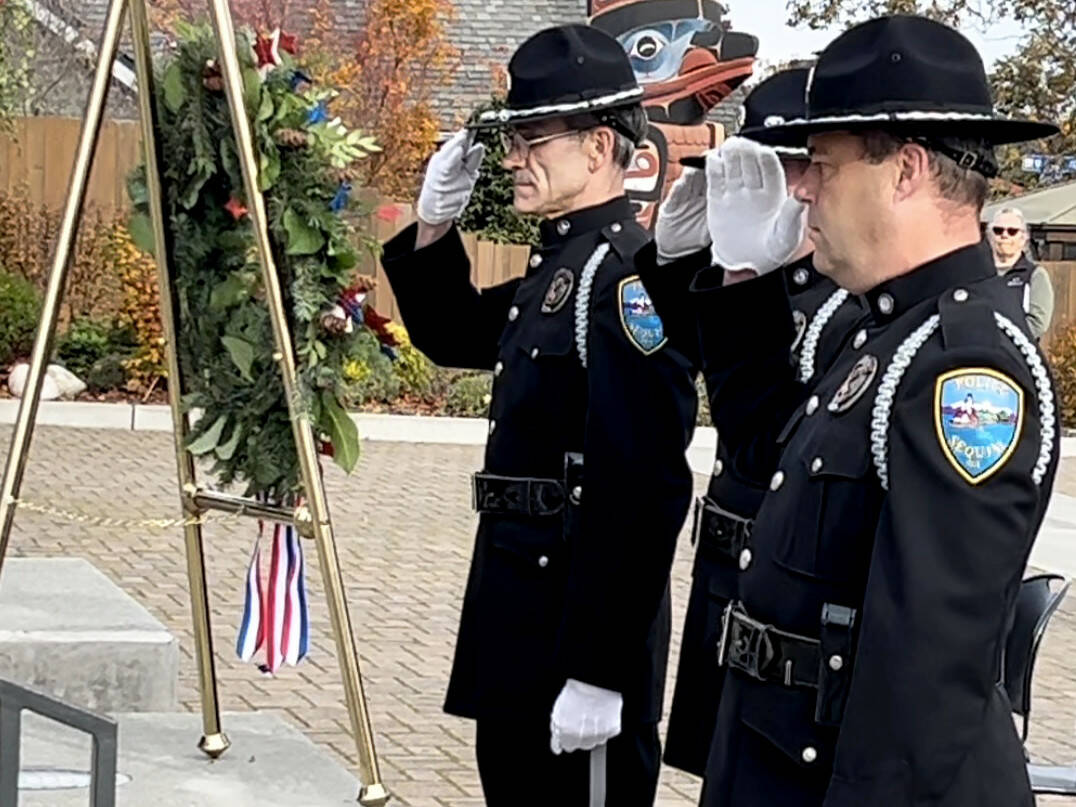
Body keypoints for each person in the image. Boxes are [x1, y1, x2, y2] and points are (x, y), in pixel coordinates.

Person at [659, 14, 1058, 806]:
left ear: (906, 169)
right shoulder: (883, 331)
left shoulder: (964, 363)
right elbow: (763, 460)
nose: (801, 186)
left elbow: (923, 677)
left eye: (820, 165)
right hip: (775, 760)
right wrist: (739, 281)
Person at [378, 24, 698, 806]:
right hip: (519, 613)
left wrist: (601, 667)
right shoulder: (560, 266)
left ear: (597, 148)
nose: (516, 155)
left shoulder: (622, 280)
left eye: (534, 137)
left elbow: (645, 485)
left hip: (573, 628)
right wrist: (433, 228)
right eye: (513, 137)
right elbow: (455, 336)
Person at [643, 67, 866, 778]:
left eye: (790, 169)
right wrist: (673, 264)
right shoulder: (761, 281)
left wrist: (739, 277)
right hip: (731, 580)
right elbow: (684, 355)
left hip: (787, 605)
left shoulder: (847, 307)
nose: (779, 192)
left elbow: (764, 443)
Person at [988, 206, 1054, 339]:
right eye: (998, 230)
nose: (1004, 235)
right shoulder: (978, 273)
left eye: (1012, 231)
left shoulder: (1035, 275)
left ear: (1023, 238)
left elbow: (1038, 323)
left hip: (1018, 354)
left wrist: (1002, 339)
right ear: (990, 236)